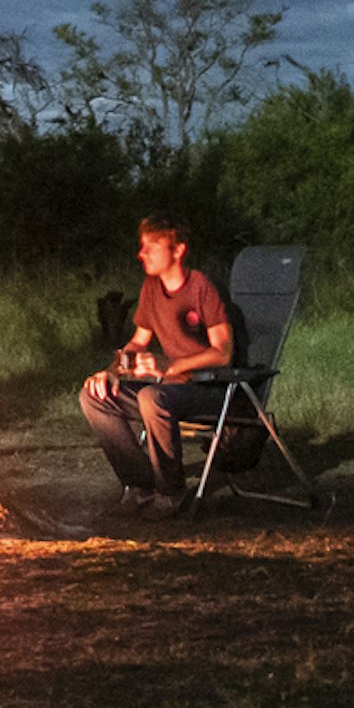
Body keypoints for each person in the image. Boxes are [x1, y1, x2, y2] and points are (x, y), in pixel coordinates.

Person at [79, 215, 235, 513]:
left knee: (152, 396)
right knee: (93, 397)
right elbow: (138, 342)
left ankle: (172, 492)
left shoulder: (201, 287)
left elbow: (223, 352)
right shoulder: (152, 288)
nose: (142, 254)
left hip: (209, 390)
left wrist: (168, 367)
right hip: (171, 392)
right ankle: (140, 486)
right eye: (142, 247)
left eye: (152, 246)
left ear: (178, 250)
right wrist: (112, 372)